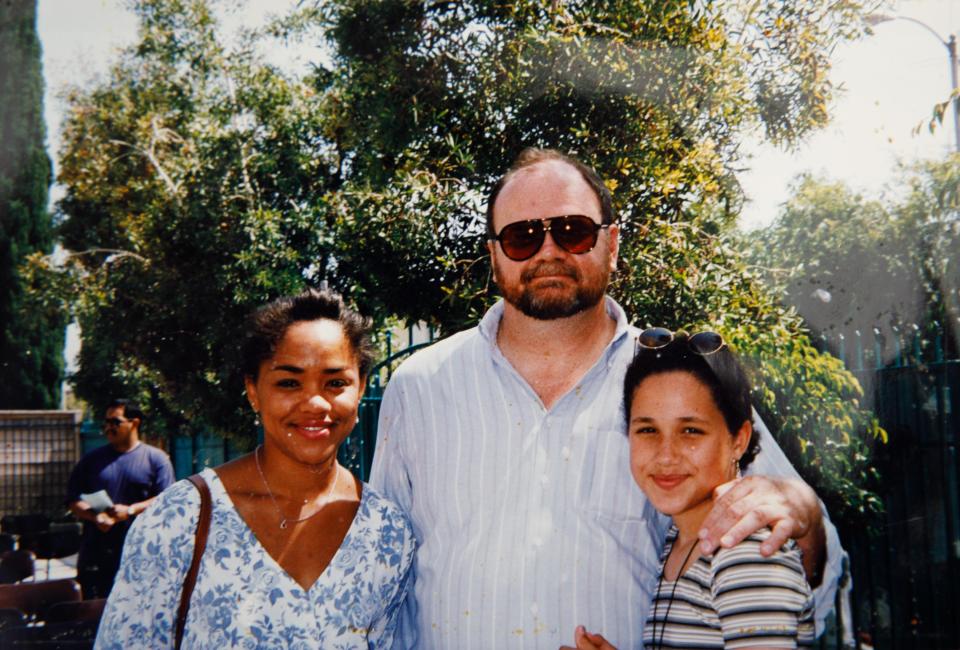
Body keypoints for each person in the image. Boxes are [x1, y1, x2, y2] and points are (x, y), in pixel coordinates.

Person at [370, 148, 845, 648]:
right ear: (493, 256)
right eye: (521, 237)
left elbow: (813, 567)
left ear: (612, 244)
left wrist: (805, 515)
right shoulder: (419, 388)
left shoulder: (681, 379)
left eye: (572, 230)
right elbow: (385, 583)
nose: (548, 252)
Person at [95, 289, 416, 649]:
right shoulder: (181, 519)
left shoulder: (386, 532)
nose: (314, 403)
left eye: (336, 382)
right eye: (289, 382)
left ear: (360, 390)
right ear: (253, 391)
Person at [567, 329, 814, 649]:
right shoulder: (681, 542)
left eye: (691, 430)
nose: (666, 454)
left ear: (738, 440)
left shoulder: (745, 553)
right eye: (648, 429)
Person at [66, 398, 175, 599]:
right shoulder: (91, 461)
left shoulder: (156, 459)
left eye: (115, 422)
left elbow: (166, 500)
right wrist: (94, 516)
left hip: (140, 555)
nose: (108, 428)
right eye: (105, 423)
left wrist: (130, 510)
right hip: (96, 554)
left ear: (134, 423)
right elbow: (73, 499)